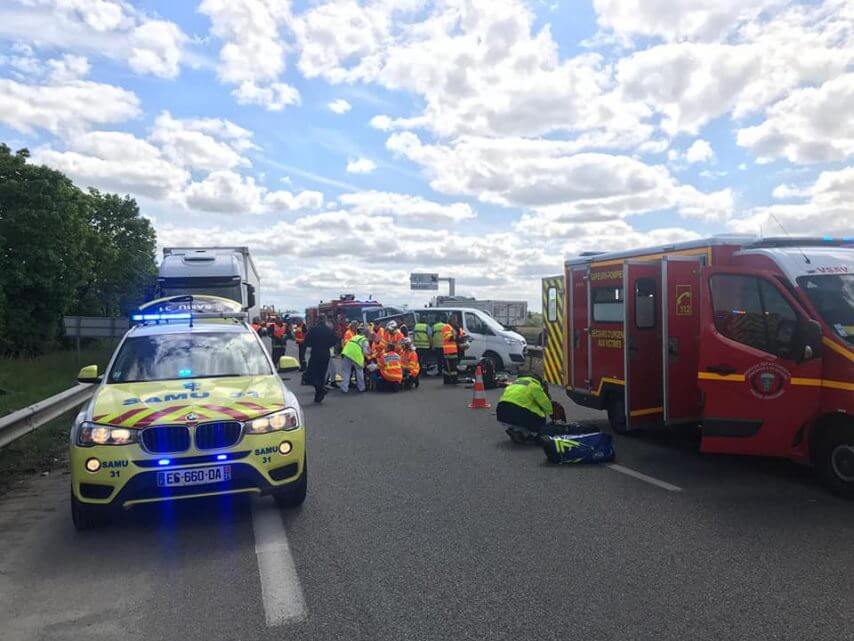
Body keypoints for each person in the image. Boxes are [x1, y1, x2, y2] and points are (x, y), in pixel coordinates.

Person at [305, 316, 338, 403]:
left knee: (313, 373)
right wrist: (326, 345)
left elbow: (307, 341)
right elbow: (334, 341)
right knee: (322, 374)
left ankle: (320, 391)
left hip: (315, 353)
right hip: (325, 354)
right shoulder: (328, 330)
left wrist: (314, 344)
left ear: (317, 320)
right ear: (324, 321)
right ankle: (320, 392)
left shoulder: (313, 329)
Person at [339, 326, 371, 393]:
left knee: (346, 372)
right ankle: (362, 388)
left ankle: (344, 388)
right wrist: (369, 357)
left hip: (346, 353)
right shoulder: (364, 340)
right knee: (359, 371)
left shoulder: (355, 337)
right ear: (367, 334)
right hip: (356, 355)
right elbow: (366, 352)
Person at [441, 316, 461, 385]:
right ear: (451, 320)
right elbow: (448, 337)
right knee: (451, 367)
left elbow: (461, 333)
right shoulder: (447, 327)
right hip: (448, 350)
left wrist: (462, 337)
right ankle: (453, 380)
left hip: (453, 349)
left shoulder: (454, 327)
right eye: (455, 320)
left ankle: (449, 380)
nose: (456, 322)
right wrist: (456, 337)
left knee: (451, 366)